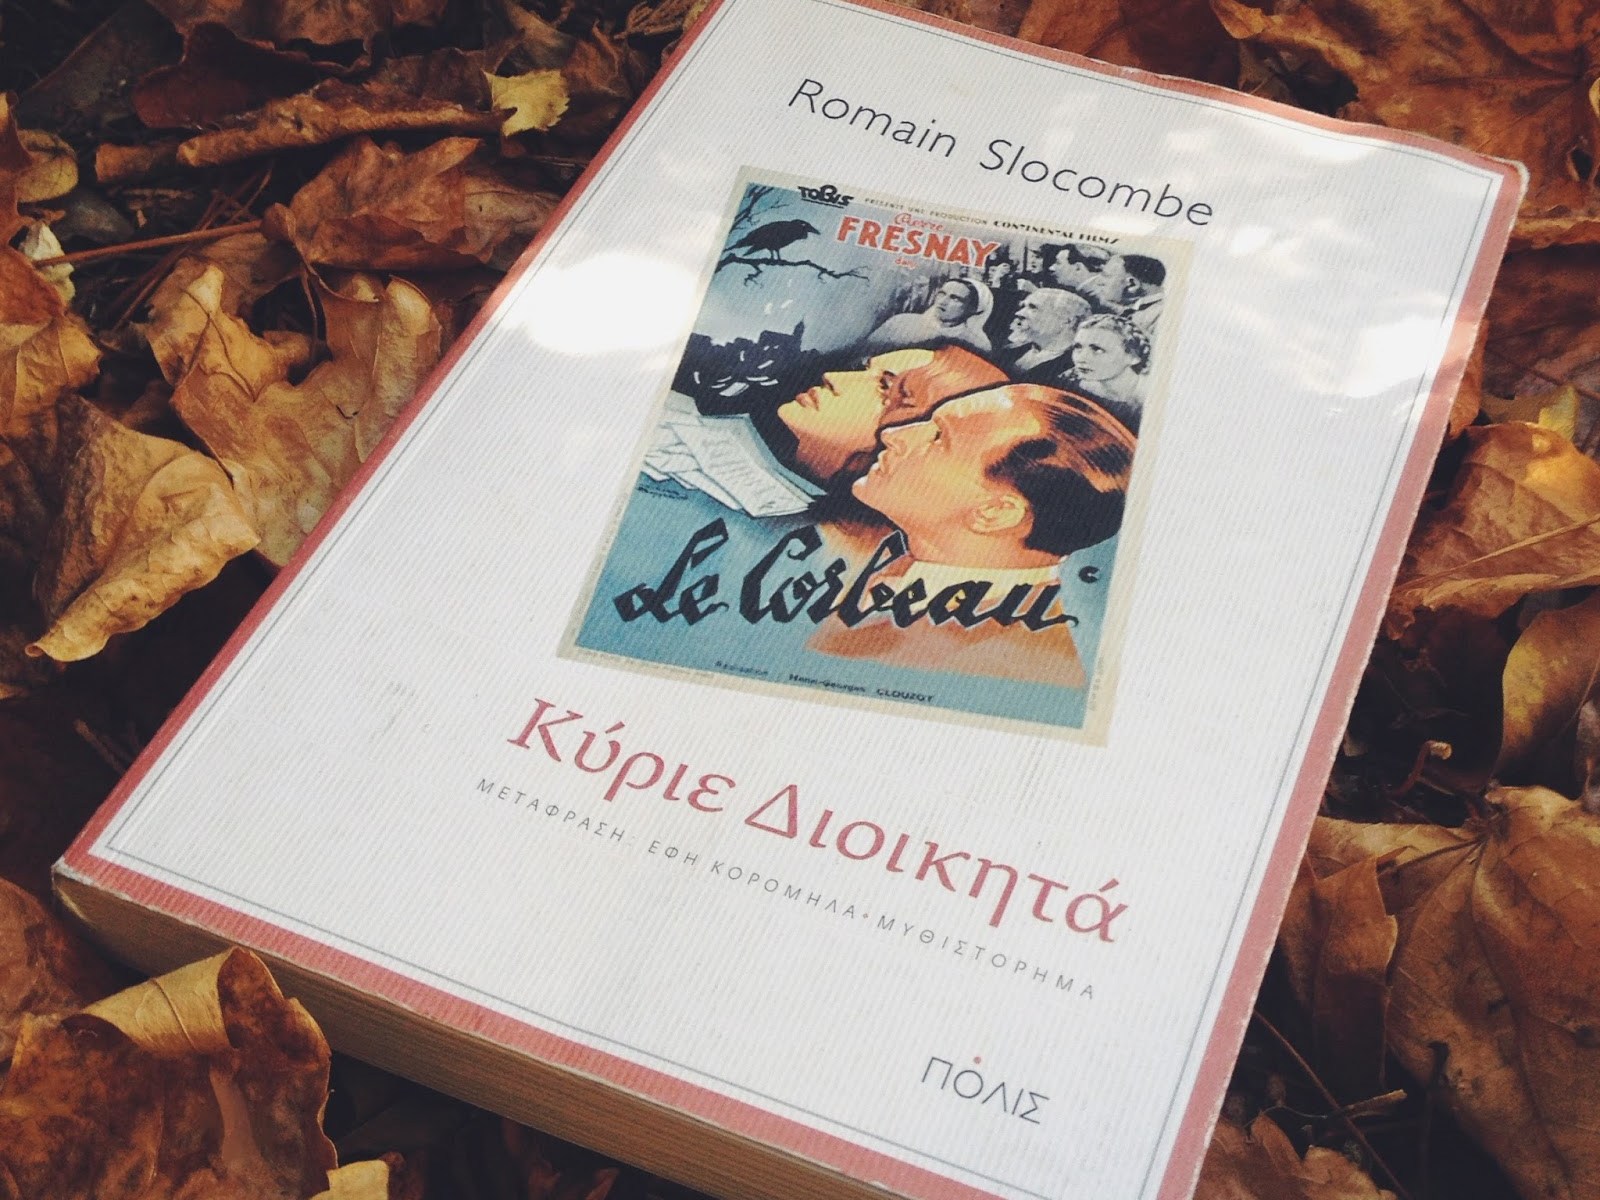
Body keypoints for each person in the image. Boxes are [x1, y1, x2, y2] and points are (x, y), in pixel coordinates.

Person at [812, 385, 1135, 684]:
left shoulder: (999, 667)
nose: (892, 433)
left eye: (938, 438)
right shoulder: (870, 548)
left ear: (993, 513)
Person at [645, 344, 1008, 517]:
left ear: (914, 434)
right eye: (864, 370)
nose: (834, 377)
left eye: (885, 388)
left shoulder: (785, 527)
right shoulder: (693, 417)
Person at [863, 278, 994, 355]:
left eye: (955, 298)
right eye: (942, 294)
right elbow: (864, 352)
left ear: (972, 309)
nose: (943, 301)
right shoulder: (900, 322)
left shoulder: (978, 343)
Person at [1066, 313, 1150, 431]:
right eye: (1078, 347)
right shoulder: (1078, 387)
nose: (1081, 358)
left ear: (1134, 357)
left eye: (1097, 349)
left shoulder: (1152, 396)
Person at [1002, 288, 1092, 383]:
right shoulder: (1009, 350)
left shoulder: (1075, 371)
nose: (1019, 313)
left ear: (1068, 321)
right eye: (1023, 306)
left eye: (1033, 307)